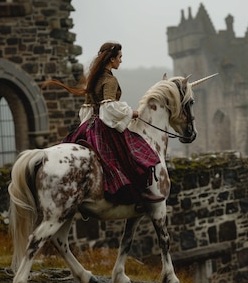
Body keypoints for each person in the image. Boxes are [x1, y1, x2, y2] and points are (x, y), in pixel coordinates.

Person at [42, 42, 164, 205]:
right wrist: (131, 112)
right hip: (102, 127)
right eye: (119, 57)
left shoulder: (94, 79)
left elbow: (87, 108)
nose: (121, 61)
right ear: (112, 59)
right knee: (134, 152)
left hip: (89, 126)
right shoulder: (109, 80)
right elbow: (109, 106)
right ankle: (142, 193)